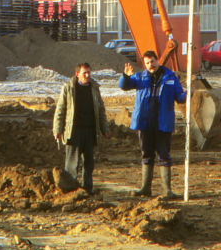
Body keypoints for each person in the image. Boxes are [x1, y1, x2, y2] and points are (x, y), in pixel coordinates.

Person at [118, 50, 187, 198]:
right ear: (145, 64)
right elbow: (124, 86)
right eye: (147, 62)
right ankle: (145, 188)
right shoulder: (139, 77)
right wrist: (125, 76)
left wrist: (188, 94)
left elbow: (179, 97)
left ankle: (167, 190)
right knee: (147, 155)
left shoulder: (170, 77)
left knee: (164, 155)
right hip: (144, 123)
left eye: (153, 61)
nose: (151, 65)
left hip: (163, 123)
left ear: (157, 61)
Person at [53, 62, 110, 195]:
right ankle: (70, 189)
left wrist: (104, 128)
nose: (88, 75)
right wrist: (57, 129)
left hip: (90, 130)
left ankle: (87, 188)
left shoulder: (94, 89)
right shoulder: (69, 88)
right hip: (74, 131)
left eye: (89, 72)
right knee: (72, 163)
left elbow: (100, 110)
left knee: (89, 162)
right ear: (77, 74)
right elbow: (60, 109)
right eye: (85, 73)